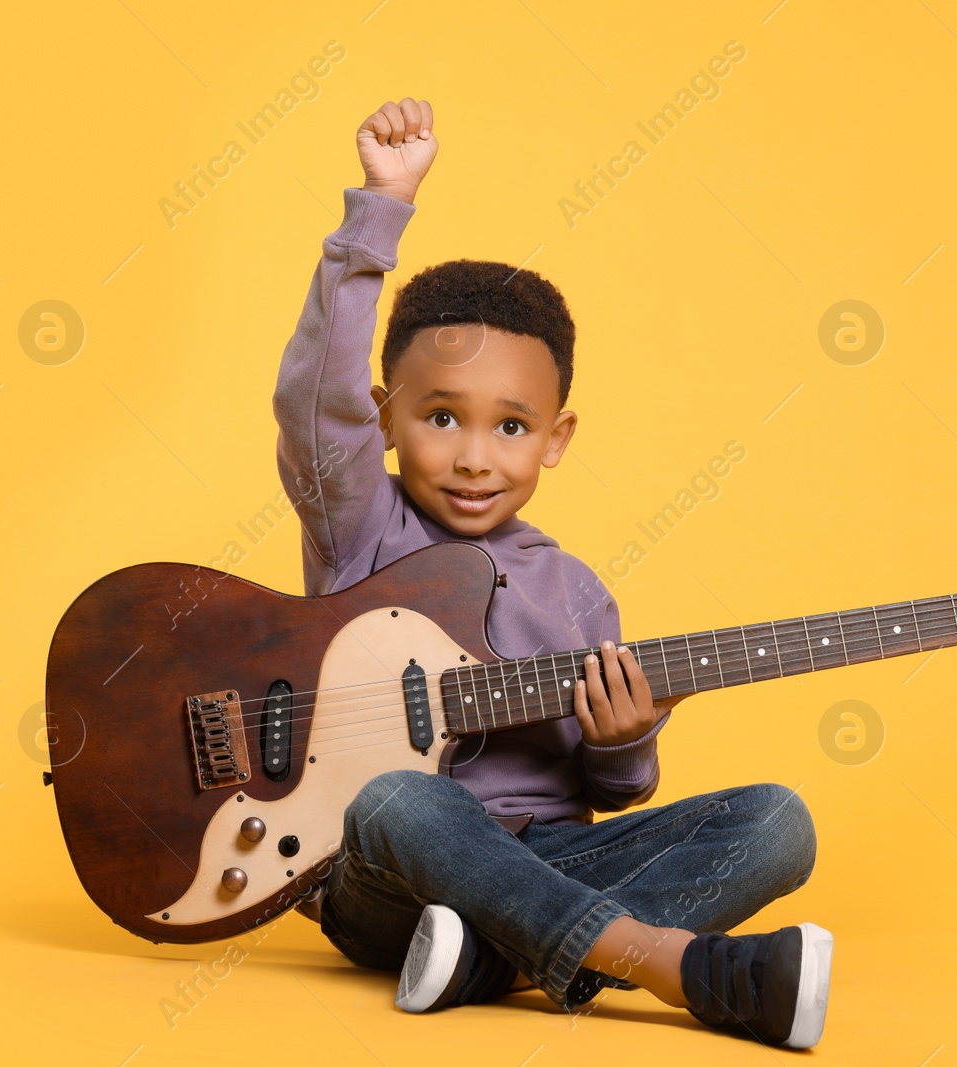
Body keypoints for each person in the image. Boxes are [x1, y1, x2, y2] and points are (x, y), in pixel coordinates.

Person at [271, 96, 831, 1049]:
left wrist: (620, 746)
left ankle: (490, 962)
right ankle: (669, 966)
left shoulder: (576, 591)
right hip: (391, 880)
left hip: (555, 858)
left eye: (512, 426)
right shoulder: (359, 525)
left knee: (780, 820)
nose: (476, 455)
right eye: (441, 417)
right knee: (404, 798)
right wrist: (380, 209)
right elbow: (310, 393)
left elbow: (608, 794)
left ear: (556, 439)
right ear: (384, 417)